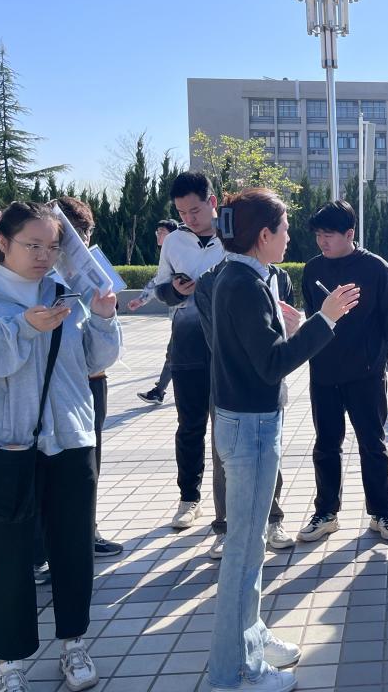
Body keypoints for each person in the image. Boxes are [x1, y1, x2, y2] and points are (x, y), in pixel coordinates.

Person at [207, 187, 359, 692]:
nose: (291, 237)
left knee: (249, 547)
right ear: (263, 235)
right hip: (249, 427)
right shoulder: (243, 284)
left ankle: (249, 636)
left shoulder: (242, 276)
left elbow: (258, 351)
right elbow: (273, 364)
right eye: (286, 228)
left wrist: (292, 326)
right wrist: (324, 319)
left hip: (246, 421)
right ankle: (234, 671)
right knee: (244, 552)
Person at [0, 201, 122, 692]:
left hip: (71, 439)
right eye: (32, 245)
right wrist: (25, 327)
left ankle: (74, 644)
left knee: (73, 547)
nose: (44, 256)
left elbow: (95, 360)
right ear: (3, 243)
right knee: (7, 555)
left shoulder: (67, 293)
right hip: (7, 444)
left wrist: (104, 318)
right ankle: (7, 662)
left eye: (52, 246)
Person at [295, 201, 388, 544]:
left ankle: (381, 514)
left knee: (373, 445)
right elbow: (312, 316)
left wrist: (377, 361)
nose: (322, 241)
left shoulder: (375, 268)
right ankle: (326, 513)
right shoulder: (312, 269)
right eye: (318, 235)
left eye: (329, 234)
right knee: (326, 445)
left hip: (365, 375)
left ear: (349, 234)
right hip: (323, 374)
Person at [194, 256, 299, 558]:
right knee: (225, 459)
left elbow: (282, 337)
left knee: (271, 454)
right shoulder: (213, 280)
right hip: (231, 386)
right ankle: (226, 526)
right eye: (283, 232)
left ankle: (273, 519)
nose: (287, 238)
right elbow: (218, 340)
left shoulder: (279, 276)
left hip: (270, 385)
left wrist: (291, 332)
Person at [53, 197, 125, 558]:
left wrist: (105, 315)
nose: (81, 240)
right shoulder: (38, 276)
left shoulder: (92, 268)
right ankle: (46, 546)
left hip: (92, 380)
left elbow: (104, 351)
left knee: (89, 461)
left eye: (85, 232)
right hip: (55, 383)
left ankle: (87, 530)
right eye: (73, 233)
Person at [154, 172, 227, 529]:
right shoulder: (174, 242)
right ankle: (189, 498)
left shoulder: (233, 236)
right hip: (187, 346)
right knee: (190, 425)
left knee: (227, 427)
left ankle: (228, 508)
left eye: (194, 210)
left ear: (212, 202)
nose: (189, 218)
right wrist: (176, 291)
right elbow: (160, 287)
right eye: (182, 212)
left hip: (227, 345)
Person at [132, 219, 180, 405]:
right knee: (175, 353)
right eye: (157, 232)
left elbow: (159, 281)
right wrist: (142, 299)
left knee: (174, 353)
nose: (158, 236)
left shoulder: (179, 252)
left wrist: (142, 299)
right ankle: (159, 390)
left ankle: (159, 391)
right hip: (180, 315)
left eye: (162, 232)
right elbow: (159, 281)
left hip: (188, 316)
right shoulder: (170, 252)